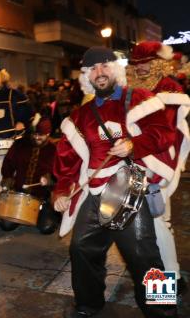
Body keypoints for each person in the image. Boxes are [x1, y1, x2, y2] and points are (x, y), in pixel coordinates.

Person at [52, 46, 177, 317]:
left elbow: (165, 133)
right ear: (86, 76)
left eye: (105, 66)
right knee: (81, 247)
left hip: (131, 185)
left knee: (145, 254)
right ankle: (88, 304)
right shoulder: (80, 115)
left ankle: (164, 311)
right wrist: (62, 190)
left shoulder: (141, 98)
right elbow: (68, 159)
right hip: (95, 191)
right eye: (93, 68)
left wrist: (134, 144)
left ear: (116, 69)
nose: (100, 72)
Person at [127, 40, 190, 293]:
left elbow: (164, 134)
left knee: (156, 220)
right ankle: (173, 277)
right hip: (138, 158)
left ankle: (166, 287)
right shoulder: (132, 87)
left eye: (147, 62)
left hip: (160, 159)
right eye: (137, 63)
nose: (142, 68)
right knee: (159, 219)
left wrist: (154, 168)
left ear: (159, 62)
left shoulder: (168, 87)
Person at [0, 116, 59, 234]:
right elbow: (8, 163)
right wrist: (8, 177)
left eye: (40, 135)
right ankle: (24, 213)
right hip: (18, 194)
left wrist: (50, 179)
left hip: (41, 198)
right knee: (6, 225)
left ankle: (43, 214)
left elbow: (60, 173)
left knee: (47, 228)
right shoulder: (20, 144)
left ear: (48, 134)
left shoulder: (53, 150)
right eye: (34, 134)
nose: (36, 138)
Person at [0, 62, 32, 204]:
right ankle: (3, 195)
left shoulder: (15, 94)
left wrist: (22, 122)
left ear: (2, 76)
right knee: (0, 170)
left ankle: (19, 195)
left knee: (18, 168)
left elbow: (29, 112)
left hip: (15, 139)